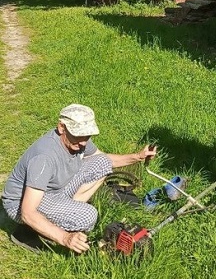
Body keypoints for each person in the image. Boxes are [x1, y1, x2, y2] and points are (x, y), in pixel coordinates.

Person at [1, 104, 156, 254]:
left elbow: (104, 158)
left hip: (54, 191)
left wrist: (138, 157)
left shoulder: (78, 140)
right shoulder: (44, 158)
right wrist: (65, 238)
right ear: (61, 127)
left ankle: (64, 215)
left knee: (103, 162)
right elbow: (27, 212)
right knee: (88, 216)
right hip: (22, 204)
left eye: (87, 136)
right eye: (78, 135)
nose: (83, 142)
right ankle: (28, 232)